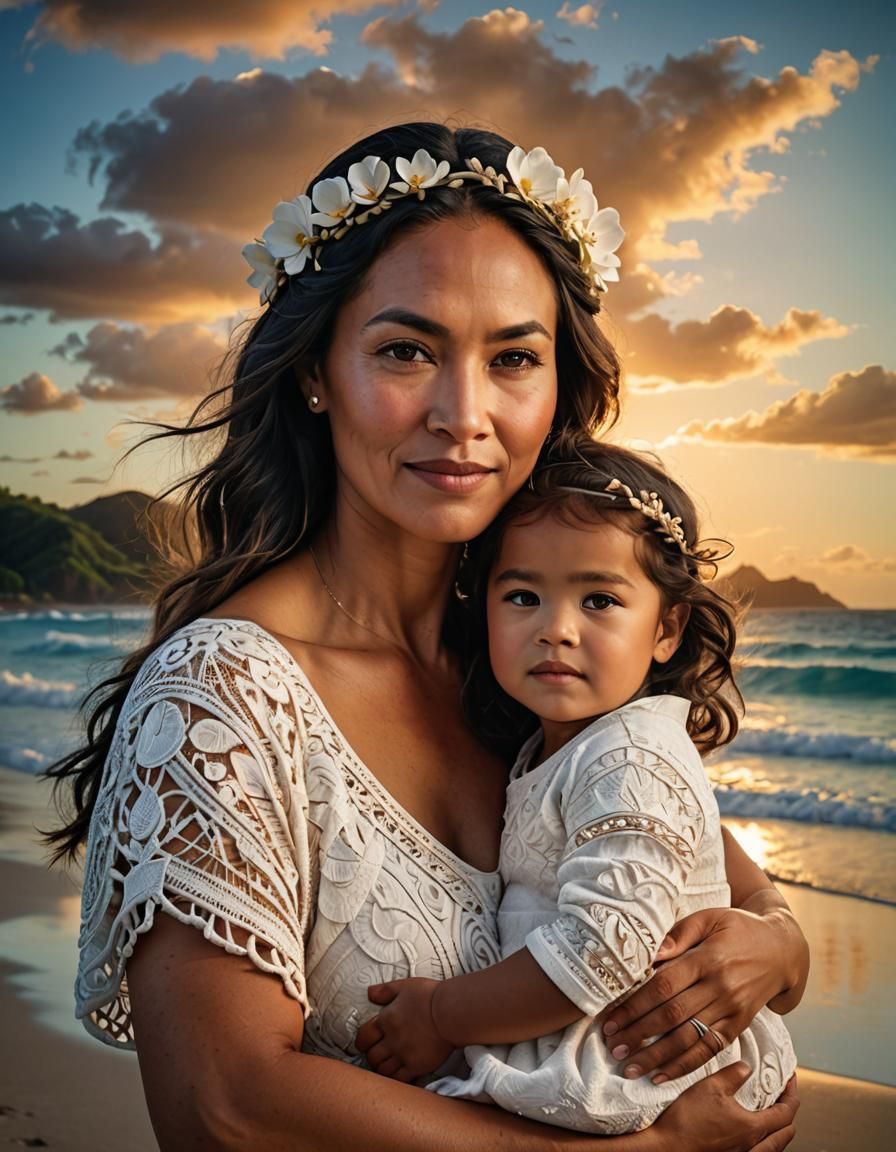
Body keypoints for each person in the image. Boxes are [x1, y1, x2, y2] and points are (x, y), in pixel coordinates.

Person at [46, 123, 806, 1151]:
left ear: (556, 386)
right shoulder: (222, 696)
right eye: (406, 351)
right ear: (316, 371)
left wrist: (776, 949)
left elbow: (712, 871)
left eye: (512, 359)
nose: (463, 413)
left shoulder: (533, 664)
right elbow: (222, 1110)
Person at [357, 435, 797, 1134]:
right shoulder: (554, 747)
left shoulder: (630, 754)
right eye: (524, 596)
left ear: (667, 627)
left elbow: (602, 949)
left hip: (640, 1060)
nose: (556, 630)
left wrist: (443, 1013)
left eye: (598, 599)